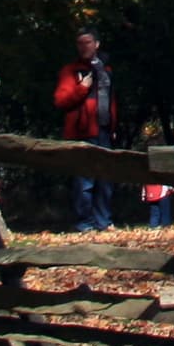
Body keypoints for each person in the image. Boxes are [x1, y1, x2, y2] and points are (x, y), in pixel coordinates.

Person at [50, 31, 118, 232]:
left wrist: (113, 127)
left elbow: (110, 101)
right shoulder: (70, 71)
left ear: (97, 44)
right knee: (84, 182)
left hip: (104, 131)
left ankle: (103, 221)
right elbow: (61, 101)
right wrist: (81, 88)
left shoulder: (106, 69)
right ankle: (85, 224)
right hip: (82, 133)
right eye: (79, 43)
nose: (83, 47)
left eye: (87, 42)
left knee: (105, 179)